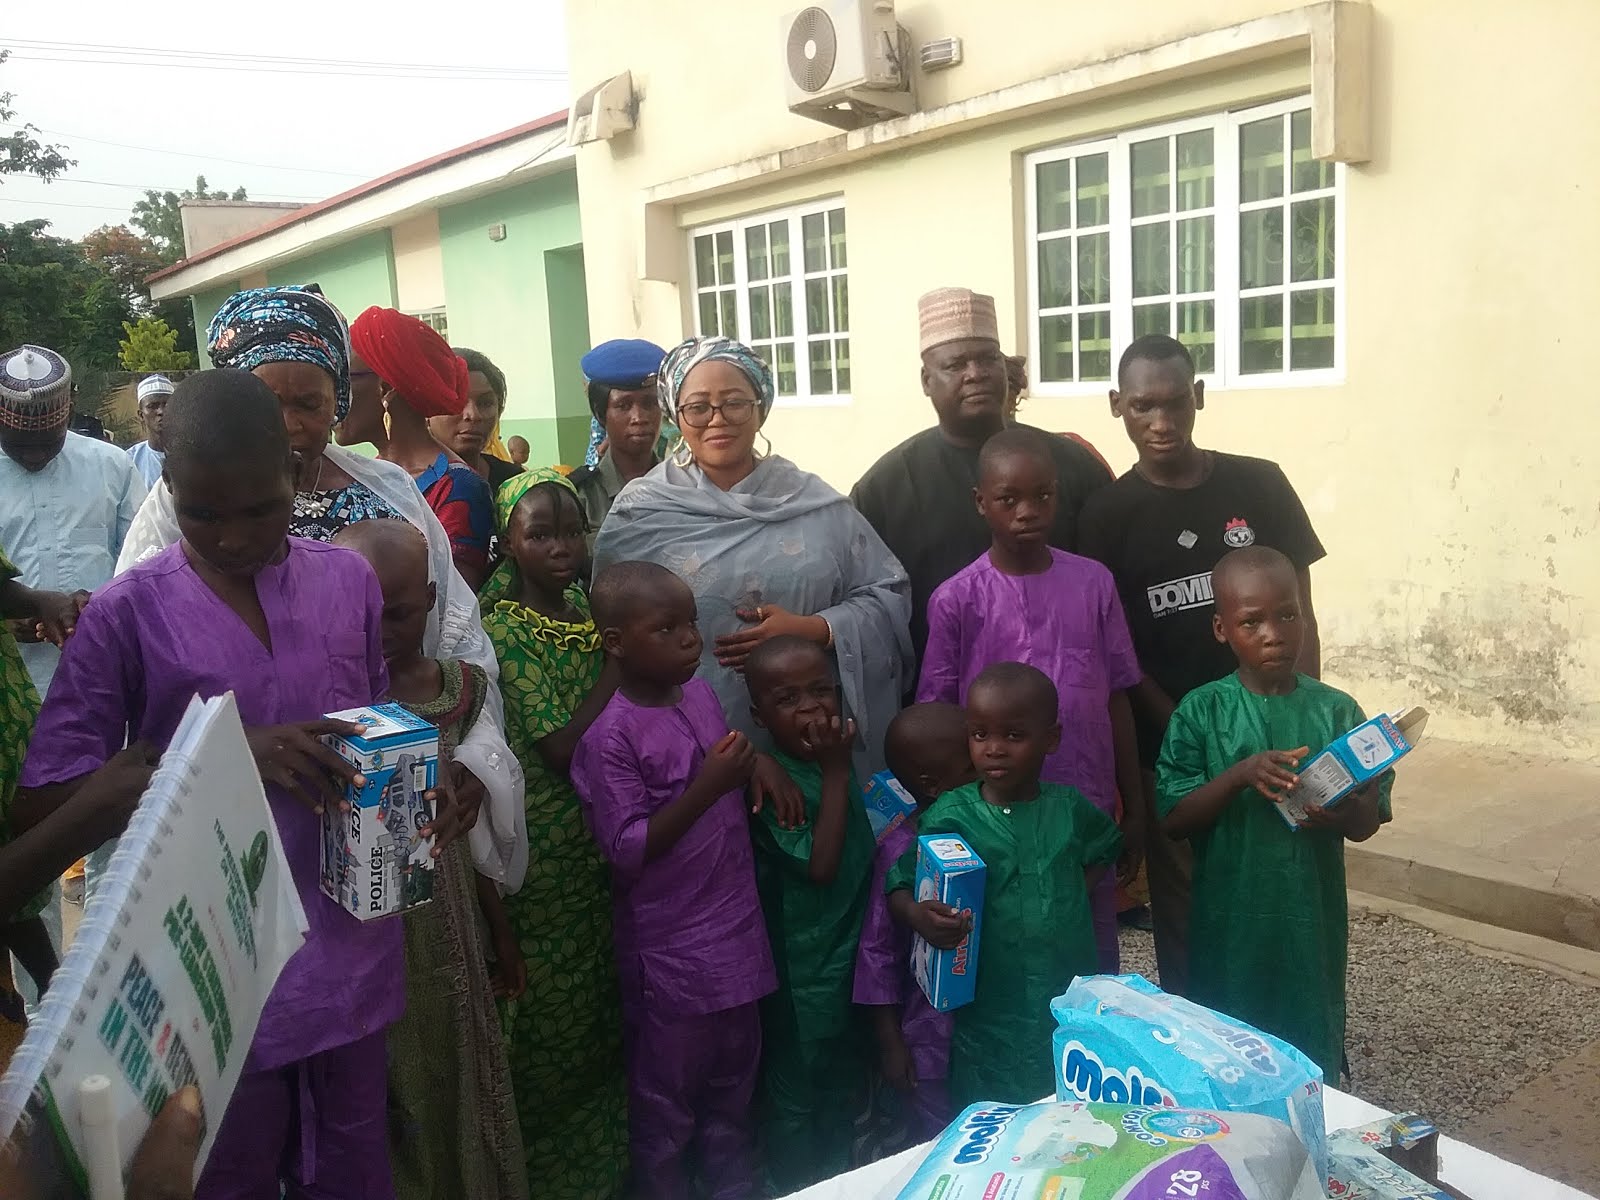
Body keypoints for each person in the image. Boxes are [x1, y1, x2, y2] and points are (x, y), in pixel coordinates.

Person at [15, 369, 457, 1199]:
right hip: (215, 972)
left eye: (261, 509)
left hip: (350, 951)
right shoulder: (125, 614)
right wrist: (219, 754)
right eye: (201, 512)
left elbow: (371, 729)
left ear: (294, 477)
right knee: (227, 1173)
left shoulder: (348, 581)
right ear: (166, 489)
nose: (231, 537)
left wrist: (424, 784)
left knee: (357, 1171)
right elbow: (45, 808)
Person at [118, 286, 513, 885]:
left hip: (386, 804)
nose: (289, 426)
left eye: (309, 402)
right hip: (240, 814)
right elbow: (138, 676)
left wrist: (471, 760)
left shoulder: (390, 493)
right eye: (265, 402)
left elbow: (459, 638)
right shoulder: (182, 510)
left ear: (340, 399)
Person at [1077, 333, 1326, 996]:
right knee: (1189, 914)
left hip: (1279, 741)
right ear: (1116, 407)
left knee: (1288, 891)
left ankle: (1299, 1033)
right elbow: (1120, 652)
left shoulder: (1260, 482)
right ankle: (1202, 1052)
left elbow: (1302, 605)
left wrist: (1309, 711)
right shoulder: (1105, 517)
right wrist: (1195, 733)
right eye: (1142, 407)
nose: (1161, 422)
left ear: (1199, 397)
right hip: (1179, 756)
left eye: (1175, 403)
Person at [594, 336, 912, 784]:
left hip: (809, 743)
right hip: (686, 751)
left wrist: (814, 629)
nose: (717, 420)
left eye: (735, 403)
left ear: (760, 408)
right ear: (676, 416)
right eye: (698, 407)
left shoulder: (814, 502)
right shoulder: (641, 514)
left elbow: (886, 592)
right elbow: (612, 638)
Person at [331, 519, 526, 1200]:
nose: (382, 630)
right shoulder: (324, 703)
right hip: (358, 947)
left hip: (449, 931)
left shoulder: (460, 690)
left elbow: (472, 832)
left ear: (433, 598)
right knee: (384, 1093)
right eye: (363, 612)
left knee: (458, 1068)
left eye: (402, 613)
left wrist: (499, 930)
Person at [571, 561, 778, 1200]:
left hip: (736, 933)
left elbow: (724, 755)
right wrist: (709, 785)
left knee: (734, 1086)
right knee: (666, 1103)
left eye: (690, 622)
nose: (689, 639)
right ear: (615, 642)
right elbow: (626, 847)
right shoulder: (609, 736)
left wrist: (756, 765)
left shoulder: (699, 695)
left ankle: (732, 1184)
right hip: (672, 954)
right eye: (666, 629)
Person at [1157, 547, 1388, 1081]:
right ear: (1222, 629)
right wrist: (1238, 776)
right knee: (1232, 1045)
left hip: (1311, 916)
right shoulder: (1201, 711)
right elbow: (1173, 819)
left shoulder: (1337, 711)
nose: (1273, 633)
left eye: (1287, 614)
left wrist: (1349, 811)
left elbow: (1366, 825)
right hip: (1229, 919)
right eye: (1251, 621)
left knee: (1309, 1036)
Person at [918, 428, 1143, 972]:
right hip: (994, 819)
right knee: (1003, 951)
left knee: (1084, 956)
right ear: (981, 502)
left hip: (1085, 806)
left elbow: (1116, 696)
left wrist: (1134, 808)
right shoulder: (957, 599)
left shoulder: (1093, 584)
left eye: (1042, 495)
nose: (1027, 511)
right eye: (1008, 498)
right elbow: (938, 719)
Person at [479, 468, 629, 1200]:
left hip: (597, 838)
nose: (562, 546)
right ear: (509, 542)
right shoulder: (502, 631)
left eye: (572, 530)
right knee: (546, 1024)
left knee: (601, 1008)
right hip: (543, 851)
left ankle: (605, 1172)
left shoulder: (579, 605)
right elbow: (561, 750)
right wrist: (618, 665)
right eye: (541, 533)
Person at [887, 663, 1121, 1108]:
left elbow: (1105, 848)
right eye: (980, 736)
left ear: (1050, 739)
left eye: (1013, 736)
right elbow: (900, 883)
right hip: (991, 1003)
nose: (994, 750)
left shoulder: (1069, 809)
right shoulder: (952, 816)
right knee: (993, 1106)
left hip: (1065, 989)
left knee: (1069, 1096)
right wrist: (919, 915)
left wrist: (1066, 893)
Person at [851, 289, 1110, 674]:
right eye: (955, 364)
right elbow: (866, 606)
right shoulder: (884, 489)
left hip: (1065, 695)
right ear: (926, 380)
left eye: (987, 358)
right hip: (944, 702)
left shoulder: (1073, 464)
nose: (975, 373)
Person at [742, 635, 875, 1191]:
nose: (813, 708)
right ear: (760, 716)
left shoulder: (826, 764)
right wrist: (840, 771)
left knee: (844, 1083)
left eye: (822, 691)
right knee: (796, 1093)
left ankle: (842, 1176)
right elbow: (819, 867)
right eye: (789, 698)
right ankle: (798, 1184)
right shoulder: (781, 784)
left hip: (849, 960)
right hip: (805, 971)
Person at [855, 704, 972, 1147]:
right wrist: (890, 1043)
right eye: (970, 760)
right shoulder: (901, 849)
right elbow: (876, 954)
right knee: (939, 1142)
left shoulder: (985, 831)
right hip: (925, 1035)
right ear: (933, 784)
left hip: (986, 1029)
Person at [0, 344, 146, 698]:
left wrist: (97, 607)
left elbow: (146, 562)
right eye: (18, 445)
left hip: (102, 671)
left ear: (70, 411)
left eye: (48, 443)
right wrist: (12, 608)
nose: (34, 456)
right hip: (11, 687)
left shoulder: (112, 466)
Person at [342, 307, 495, 589]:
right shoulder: (365, 474)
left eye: (345, 378)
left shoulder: (457, 488)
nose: (335, 395)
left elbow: (451, 610)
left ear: (385, 388)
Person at [567, 339, 666, 558]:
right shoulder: (580, 496)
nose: (639, 418)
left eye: (650, 403)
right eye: (623, 406)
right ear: (601, 414)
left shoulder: (682, 485)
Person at [431, 348, 521, 492]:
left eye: (485, 403)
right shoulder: (400, 488)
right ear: (425, 408)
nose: (473, 415)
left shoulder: (515, 485)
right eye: (457, 401)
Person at [127, 373, 174, 488]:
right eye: (153, 406)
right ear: (141, 415)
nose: (161, 412)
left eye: (167, 405)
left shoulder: (192, 456)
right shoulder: (130, 461)